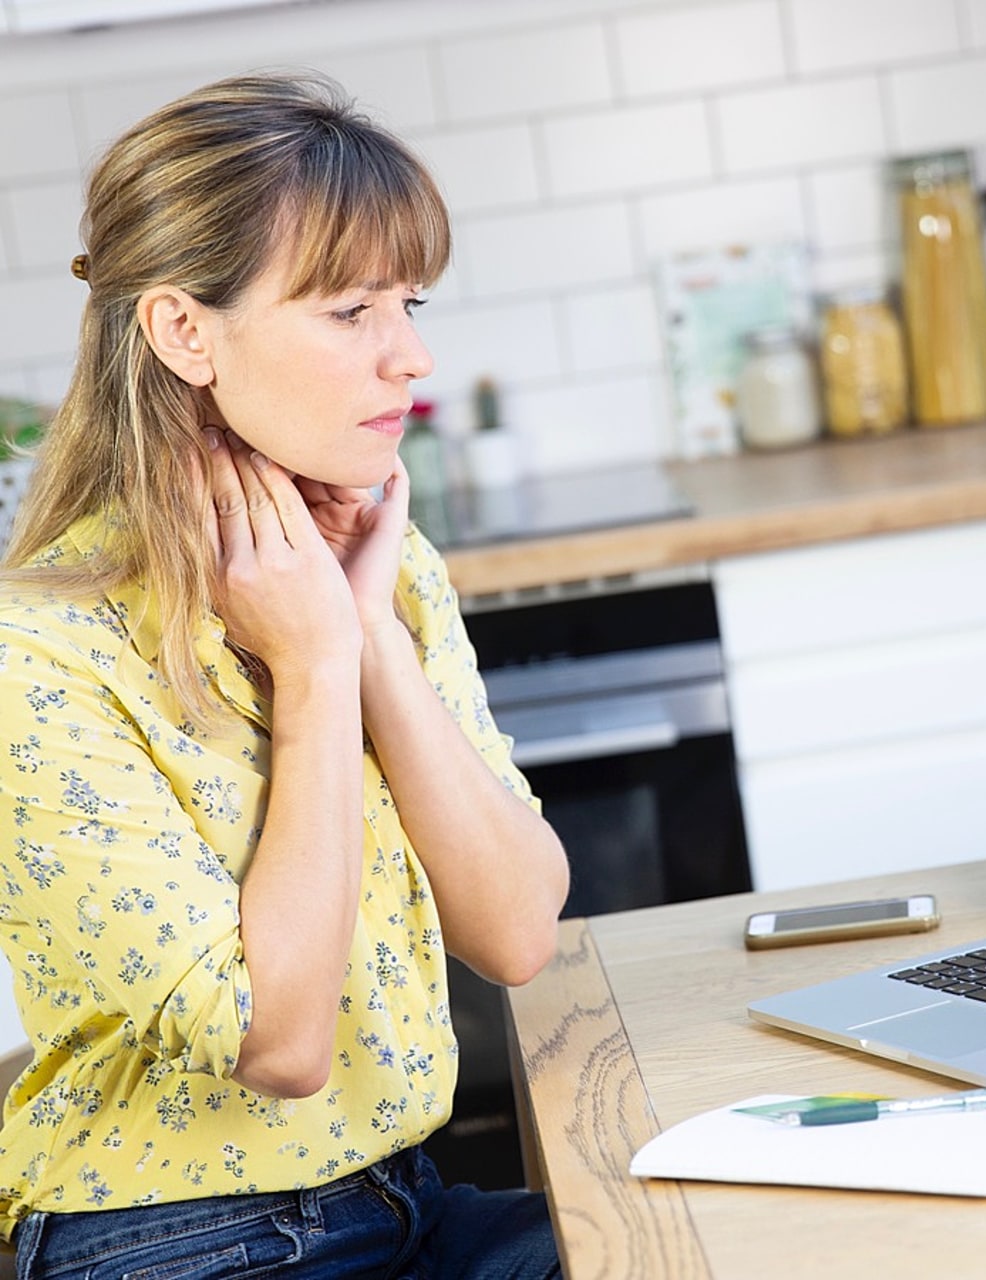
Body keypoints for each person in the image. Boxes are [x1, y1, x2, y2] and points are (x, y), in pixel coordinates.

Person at [0, 71, 569, 1278]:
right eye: (349, 309)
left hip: (405, 1202)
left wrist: (368, 635)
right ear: (183, 331)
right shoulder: (40, 653)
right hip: (176, 1240)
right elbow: (281, 1043)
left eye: (407, 302)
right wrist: (313, 671)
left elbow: (519, 930)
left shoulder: (381, 566)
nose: (410, 356)